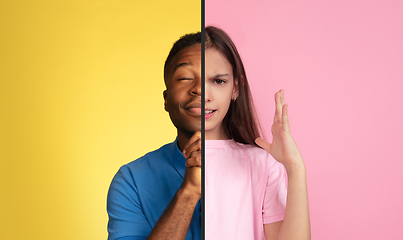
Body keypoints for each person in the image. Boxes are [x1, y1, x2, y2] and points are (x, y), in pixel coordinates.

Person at [204, 26, 311, 240]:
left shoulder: (262, 163)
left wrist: (295, 167)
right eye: (192, 80)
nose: (204, 96)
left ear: (236, 88)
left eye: (218, 81)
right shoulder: (152, 168)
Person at [107, 32, 203, 240]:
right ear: (166, 100)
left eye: (218, 80)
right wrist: (189, 193)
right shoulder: (131, 180)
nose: (199, 88)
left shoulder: (264, 168)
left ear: (234, 91)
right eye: (186, 78)